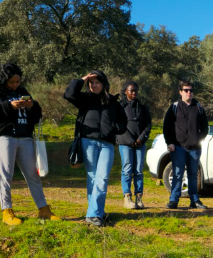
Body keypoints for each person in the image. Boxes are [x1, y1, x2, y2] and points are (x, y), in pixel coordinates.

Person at [0, 63, 60, 226]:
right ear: (3, 80)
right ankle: (6, 211)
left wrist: (32, 106)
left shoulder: (23, 93)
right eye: (12, 82)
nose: (16, 85)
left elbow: (37, 116)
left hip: (25, 137)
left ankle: (43, 209)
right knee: (5, 174)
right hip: (4, 137)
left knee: (33, 175)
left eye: (18, 81)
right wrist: (8, 106)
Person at [63, 70, 127, 227]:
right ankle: (96, 213)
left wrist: (113, 128)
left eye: (97, 82)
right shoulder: (84, 99)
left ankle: (94, 213)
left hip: (107, 144)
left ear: (104, 84)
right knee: (93, 178)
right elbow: (69, 94)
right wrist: (83, 78)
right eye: (91, 83)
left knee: (102, 178)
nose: (94, 85)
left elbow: (123, 122)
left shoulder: (113, 102)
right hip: (88, 142)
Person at [163, 80, 209, 210]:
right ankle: (173, 200)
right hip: (178, 147)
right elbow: (167, 127)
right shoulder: (174, 107)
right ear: (180, 92)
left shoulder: (199, 107)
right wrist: (170, 142)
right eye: (186, 90)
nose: (189, 93)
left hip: (194, 149)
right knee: (177, 174)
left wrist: (197, 140)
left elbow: (204, 128)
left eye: (191, 90)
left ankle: (194, 200)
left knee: (193, 175)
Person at [116, 81, 152, 210]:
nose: (134, 93)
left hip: (140, 143)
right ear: (125, 91)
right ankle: (127, 197)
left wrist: (141, 139)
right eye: (131, 90)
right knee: (127, 169)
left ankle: (139, 197)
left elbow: (148, 125)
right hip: (125, 142)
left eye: (135, 90)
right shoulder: (120, 106)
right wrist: (130, 139)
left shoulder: (142, 107)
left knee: (138, 171)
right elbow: (118, 125)